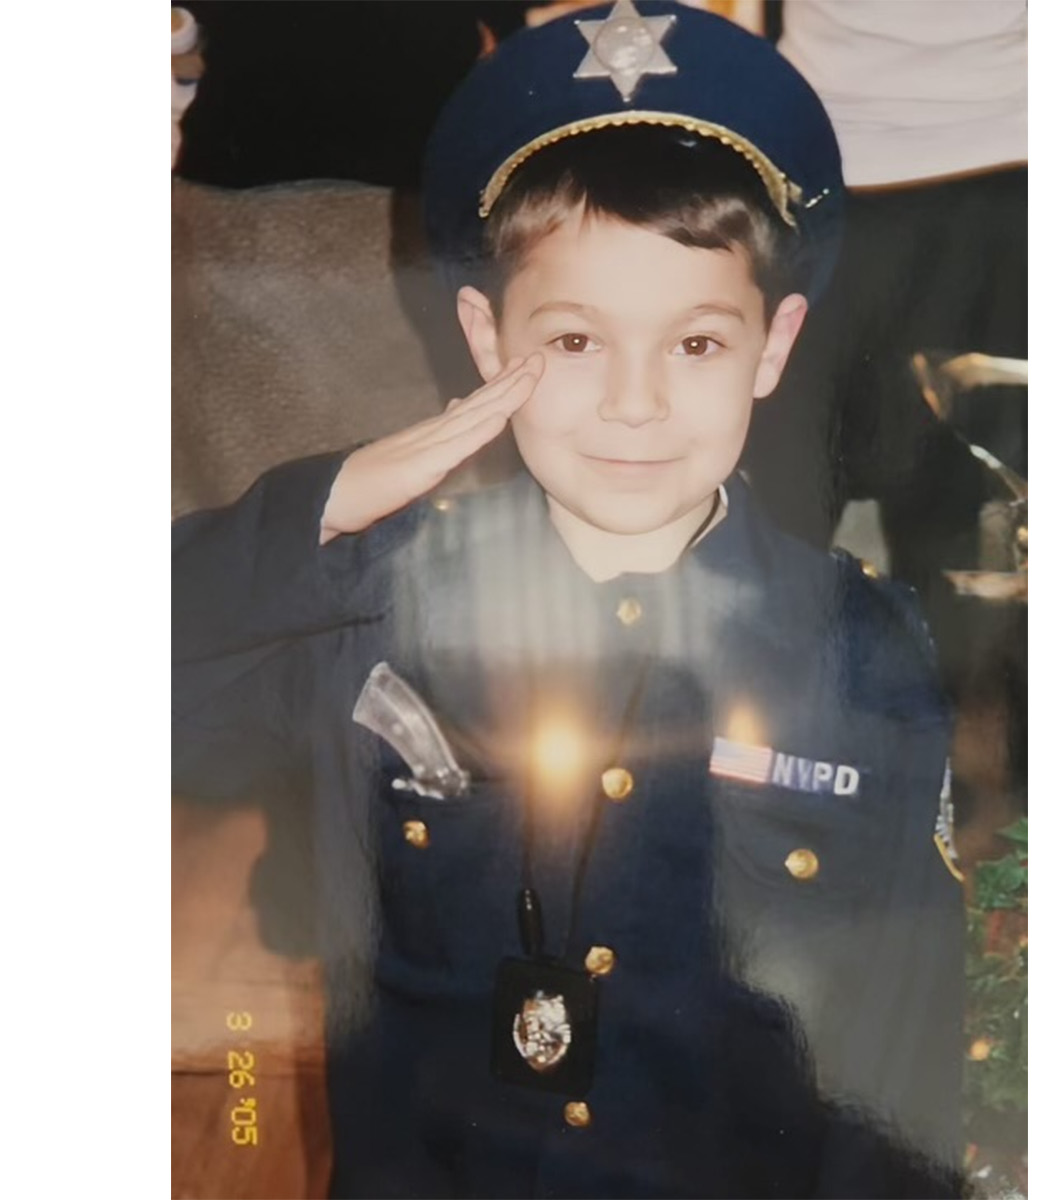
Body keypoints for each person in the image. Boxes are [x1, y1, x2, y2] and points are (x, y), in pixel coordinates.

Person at [171, 4, 960, 1195]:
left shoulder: (865, 652)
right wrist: (325, 508)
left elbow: (902, 1075)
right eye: (577, 341)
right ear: (487, 340)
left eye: (696, 344)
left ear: (774, 346)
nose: (633, 405)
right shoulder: (367, 604)